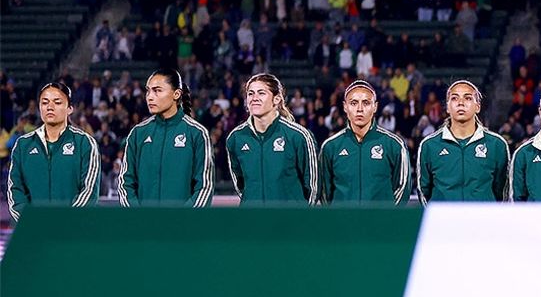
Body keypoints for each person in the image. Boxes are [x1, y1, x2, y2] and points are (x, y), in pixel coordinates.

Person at [118, 69, 214, 207]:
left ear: (176, 94)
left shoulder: (197, 134)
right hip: (143, 225)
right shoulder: (138, 133)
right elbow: (125, 183)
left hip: (182, 226)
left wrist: (182, 221)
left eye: (157, 90)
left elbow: (204, 186)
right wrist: (137, 217)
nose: (150, 97)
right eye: (148, 91)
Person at [6, 82, 100, 222]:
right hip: (34, 232)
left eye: (57, 102)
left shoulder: (85, 143)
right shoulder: (23, 145)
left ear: (69, 109)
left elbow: (89, 191)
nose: (50, 107)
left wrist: (62, 224)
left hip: (74, 232)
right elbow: (15, 190)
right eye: (45, 102)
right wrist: (31, 221)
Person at [225, 73, 319, 205]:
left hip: (290, 222)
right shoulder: (236, 138)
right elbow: (240, 185)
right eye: (250, 93)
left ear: (277, 99)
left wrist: (300, 218)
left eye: (261, 93)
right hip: (252, 221)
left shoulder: (298, 136)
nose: (254, 98)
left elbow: (313, 186)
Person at [415, 80, 511, 203]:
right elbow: (424, 191)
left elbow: (502, 191)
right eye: (454, 98)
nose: (461, 103)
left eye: (468, 98)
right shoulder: (429, 145)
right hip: (444, 221)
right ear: (448, 107)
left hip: (483, 221)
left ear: (478, 106)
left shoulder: (497, 145)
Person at [317, 79, 411, 205]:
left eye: (366, 103)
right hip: (343, 223)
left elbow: (402, 188)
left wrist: (387, 218)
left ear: (375, 107)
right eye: (354, 103)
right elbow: (324, 193)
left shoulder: (394, 145)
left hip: (380, 223)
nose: (359, 109)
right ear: (345, 107)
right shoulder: (330, 146)